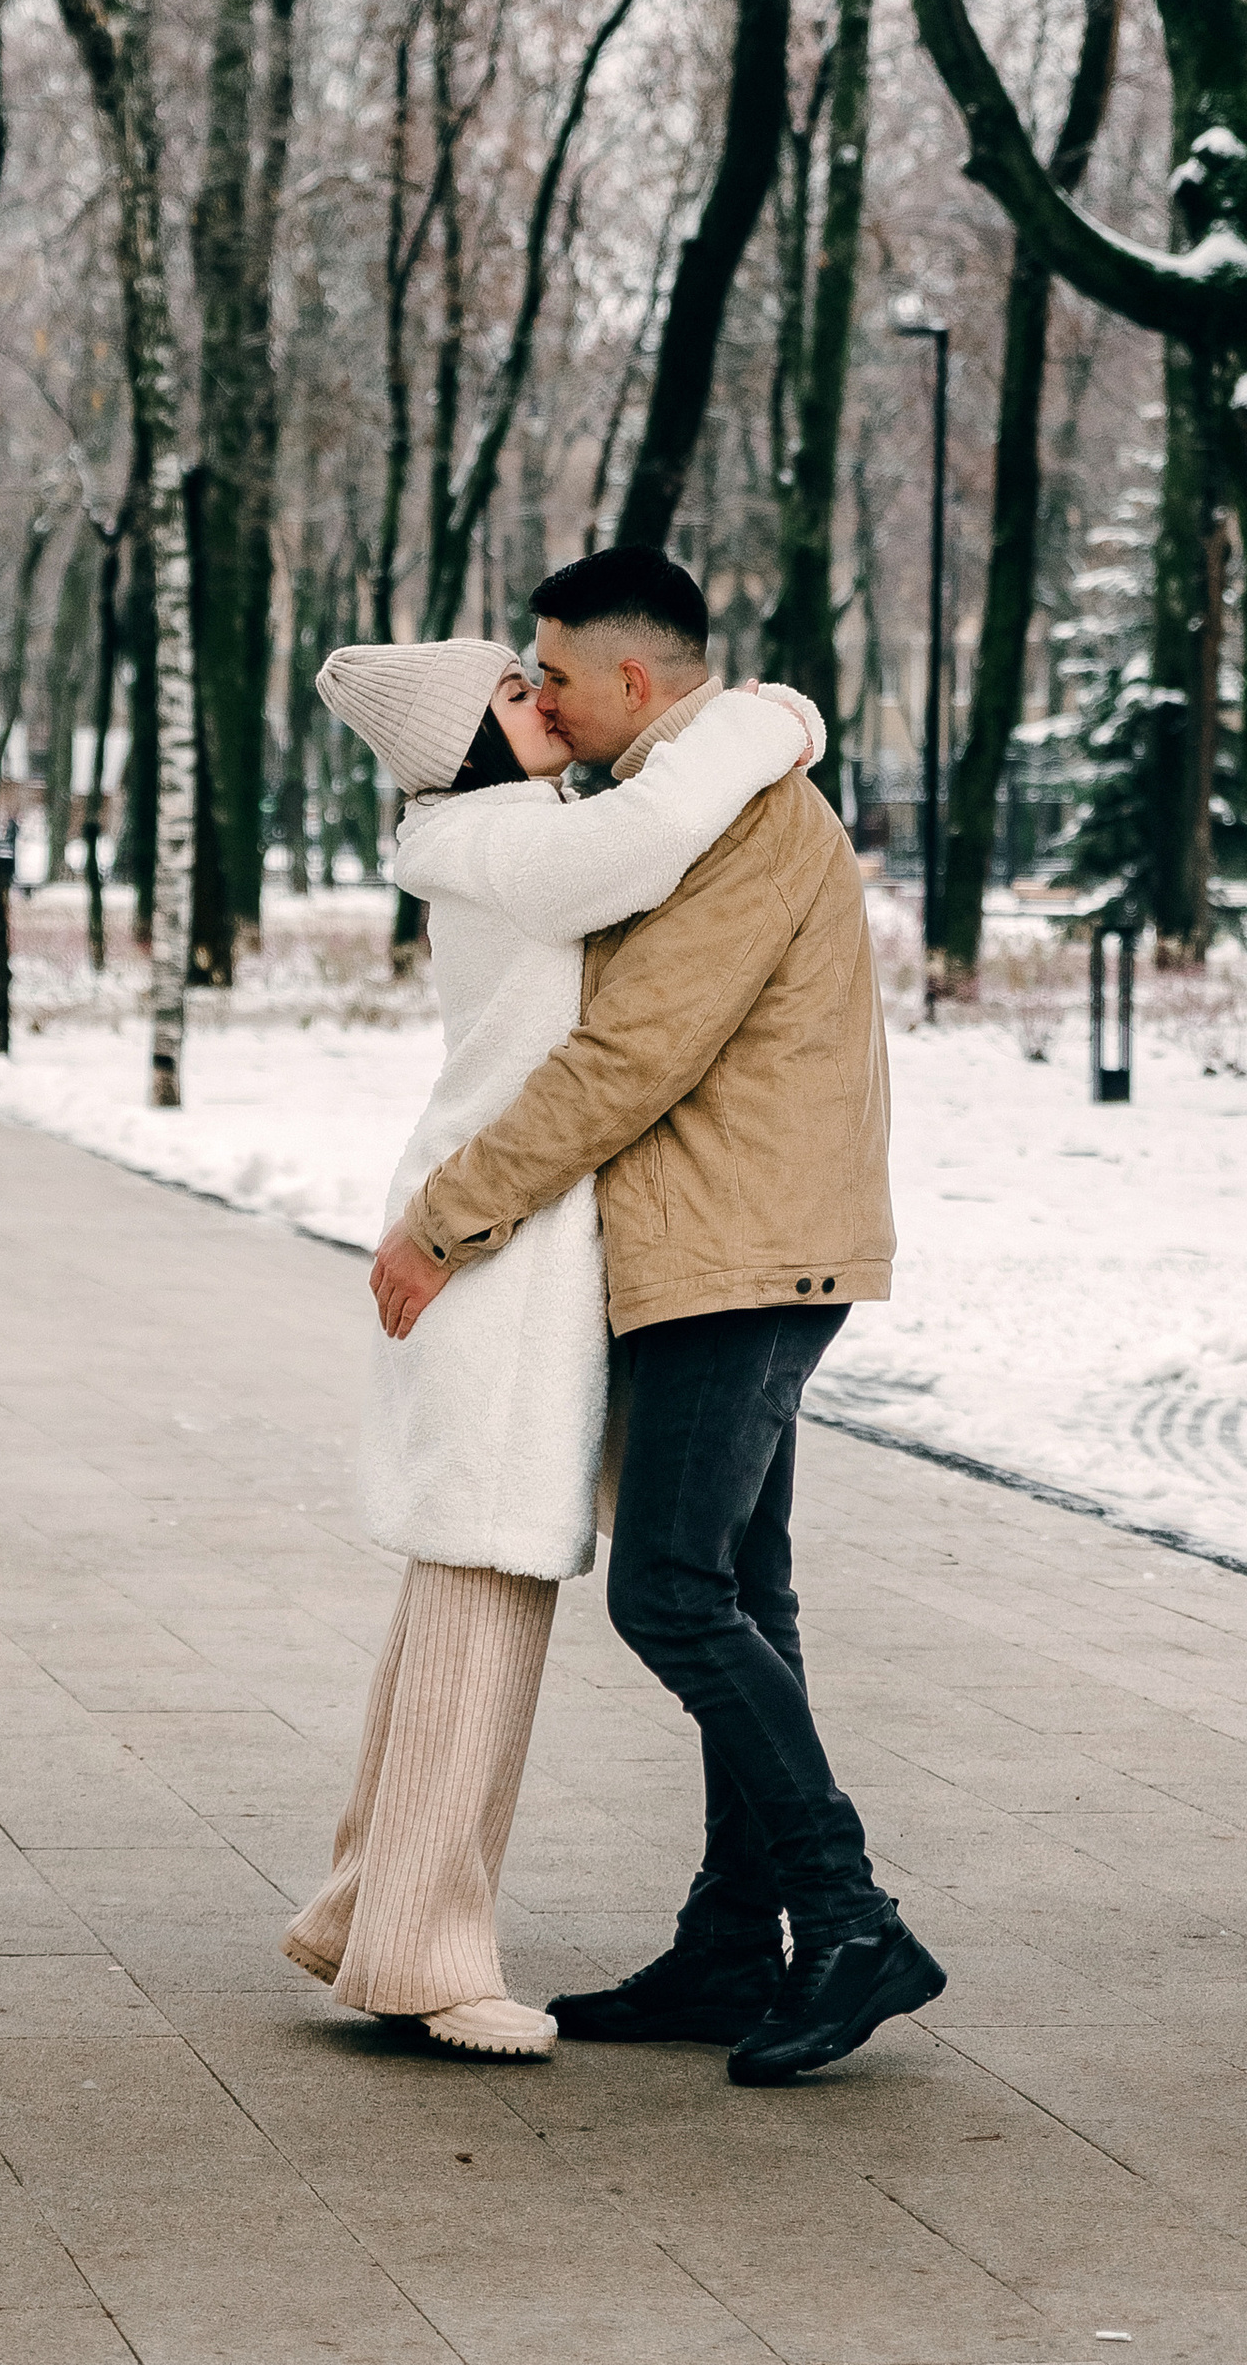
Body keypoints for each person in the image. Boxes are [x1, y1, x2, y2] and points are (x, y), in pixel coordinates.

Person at [368, 544, 946, 2087]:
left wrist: (447, 1217)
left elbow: (633, 1052)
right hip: (720, 1243)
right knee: (742, 1592)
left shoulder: (743, 809)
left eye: (552, 672)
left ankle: (848, 1915)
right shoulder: (673, 798)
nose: (540, 696)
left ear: (634, 680)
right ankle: (726, 1942)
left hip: (740, 1250)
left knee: (674, 1596)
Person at [285, 634, 823, 2058]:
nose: (548, 704)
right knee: (485, 1592)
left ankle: (365, 1912)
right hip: (495, 1257)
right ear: (464, 743)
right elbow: (650, 836)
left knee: (455, 1593)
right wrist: (773, 717)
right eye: (516, 697)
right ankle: (425, 1960)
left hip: (499, 1248)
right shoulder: (509, 839)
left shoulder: (498, 831)